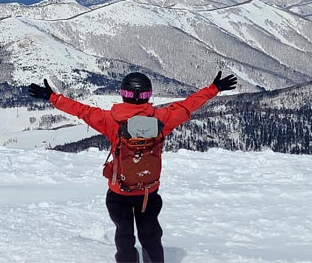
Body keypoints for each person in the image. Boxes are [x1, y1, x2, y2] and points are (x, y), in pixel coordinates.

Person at [28, 71, 237, 263]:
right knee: (151, 235)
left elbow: (82, 111)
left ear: (123, 94)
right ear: (148, 95)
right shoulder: (162, 119)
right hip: (148, 191)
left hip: (120, 191)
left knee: (125, 236)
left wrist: (52, 97)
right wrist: (214, 88)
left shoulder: (110, 120)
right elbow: (187, 105)